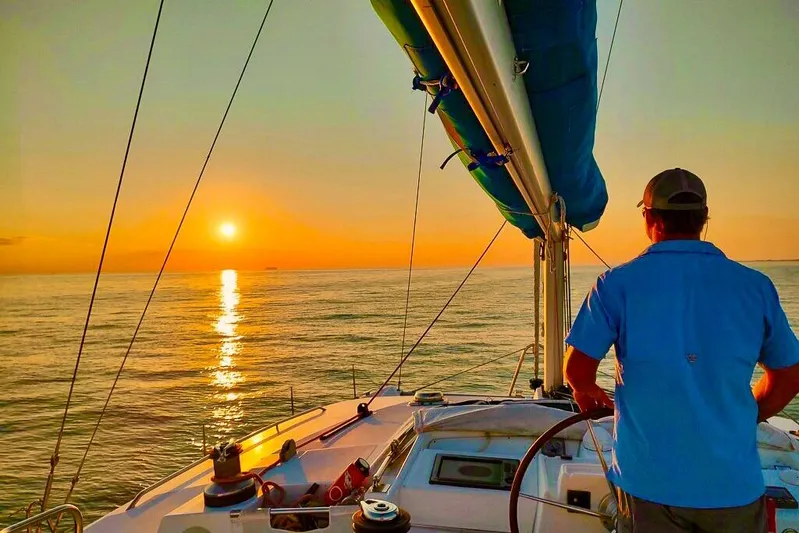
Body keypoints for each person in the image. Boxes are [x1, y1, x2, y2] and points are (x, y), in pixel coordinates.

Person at [564, 168, 799, 533]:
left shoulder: (616, 285)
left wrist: (588, 392)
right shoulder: (756, 286)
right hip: (732, 486)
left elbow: (578, 371)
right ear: (704, 218)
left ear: (649, 218)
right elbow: (788, 376)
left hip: (648, 485)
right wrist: (746, 414)